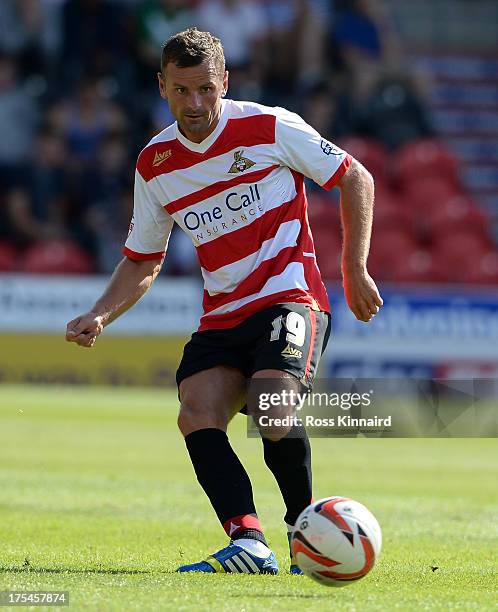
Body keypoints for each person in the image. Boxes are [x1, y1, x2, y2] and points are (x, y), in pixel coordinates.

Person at [66, 28, 383, 575]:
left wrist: (353, 268)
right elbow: (144, 258)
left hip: (292, 294)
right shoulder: (155, 164)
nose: (196, 104)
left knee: (271, 408)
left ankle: (301, 529)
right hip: (224, 312)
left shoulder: (269, 125)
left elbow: (355, 176)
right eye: (182, 91)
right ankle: (250, 543)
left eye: (206, 90)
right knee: (197, 412)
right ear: (162, 86)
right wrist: (100, 312)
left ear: (225, 84)